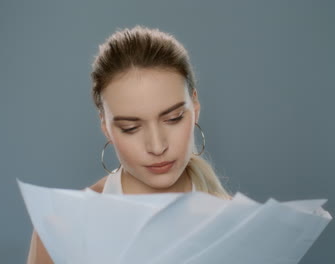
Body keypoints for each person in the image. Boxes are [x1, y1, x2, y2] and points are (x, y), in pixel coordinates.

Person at [26, 25, 231, 264]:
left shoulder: (236, 223)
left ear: (194, 106)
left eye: (173, 118)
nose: (156, 146)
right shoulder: (63, 228)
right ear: (105, 125)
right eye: (130, 128)